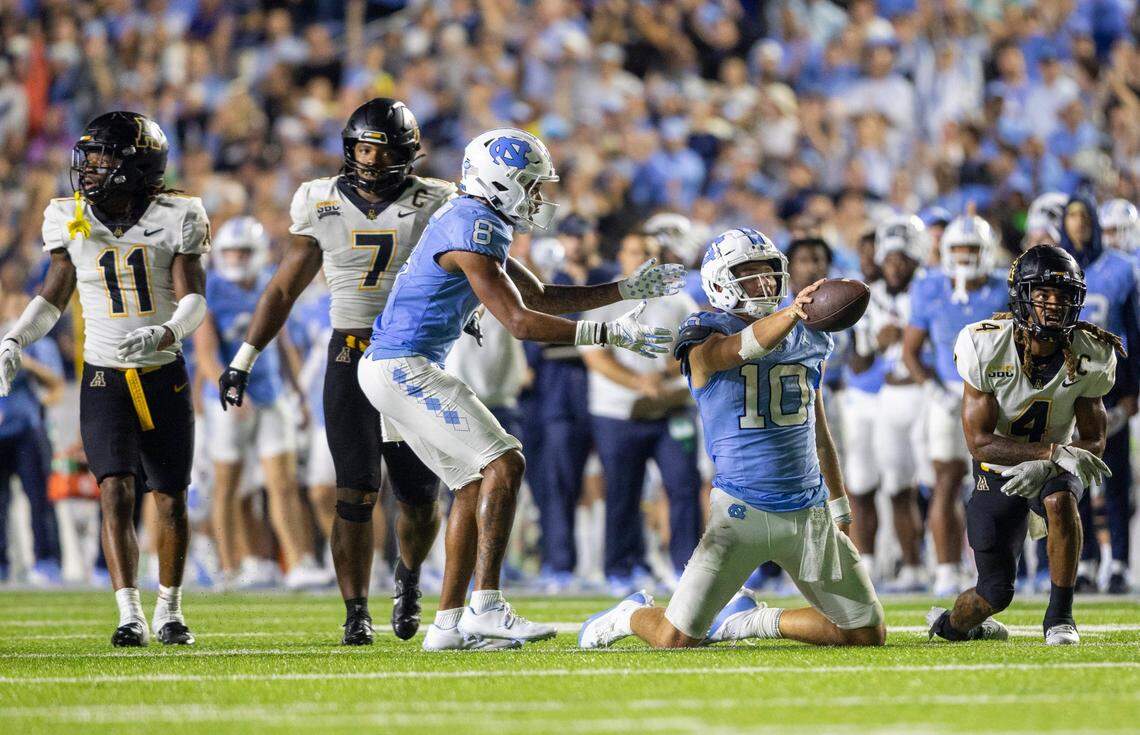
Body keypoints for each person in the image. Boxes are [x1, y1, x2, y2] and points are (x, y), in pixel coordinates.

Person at [358, 127, 684, 649]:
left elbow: (540, 296)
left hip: (394, 365)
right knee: (505, 463)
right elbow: (520, 322)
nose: (536, 196)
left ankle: (447, 625)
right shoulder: (475, 223)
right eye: (529, 184)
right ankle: (486, 607)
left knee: (472, 485)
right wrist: (608, 332)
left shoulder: (474, 217)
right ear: (499, 181)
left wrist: (623, 290)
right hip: (403, 365)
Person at [578, 228, 885, 649]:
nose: (764, 282)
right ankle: (628, 615)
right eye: (749, 273)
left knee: (864, 633)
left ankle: (749, 621)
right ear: (721, 281)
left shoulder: (810, 334)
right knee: (674, 639)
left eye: (769, 272)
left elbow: (818, 428)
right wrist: (791, 315)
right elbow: (728, 354)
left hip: (808, 510)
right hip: (741, 512)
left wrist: (839, 504)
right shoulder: (703, 329)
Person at [217, 99, 452, 645]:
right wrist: (244, 358)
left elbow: (468, 268)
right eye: (363, 149)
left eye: (382, 151)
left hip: (411, 355)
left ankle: (409, 576)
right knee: (354, 493)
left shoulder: (435, 200)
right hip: (348, 352)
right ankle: (355, 611)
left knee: (419, 497)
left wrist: (470, 312)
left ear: (406, 153)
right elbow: (283, 288)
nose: (370, 160)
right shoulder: (318, 198)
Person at [0, 111, 209, 646]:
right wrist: (15, 339)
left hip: (162, 372)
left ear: (137, 166)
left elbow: (194, 298)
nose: (90, 168)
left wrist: (166, 331)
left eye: (103, 158)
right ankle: (128, 614)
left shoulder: (178, 214)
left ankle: (170, 609)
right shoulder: (68, 215)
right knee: (114, 489)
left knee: (170, 497)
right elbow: (53, 294)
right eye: (88, 157)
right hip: (104, 374)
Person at [927, 246, 1119, 645]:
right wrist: (1048, 453)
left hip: (1058, 466)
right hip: (997, 470)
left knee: (1060, 499)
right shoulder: (985, 344)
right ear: (1021, 296)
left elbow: (1094, 438)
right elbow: (979, 442)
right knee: (994, 593)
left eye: (1063, 295)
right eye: (1044, 293)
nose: (1054, 305)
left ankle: (1060, 617)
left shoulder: (1090, 351)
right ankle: (950, 625)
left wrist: (1055, 462)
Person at [196, 216, 330, 590]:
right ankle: (229, 567)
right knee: (228, 485)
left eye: (243, 252)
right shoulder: (211, 288)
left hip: (271, 393)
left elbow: (282, 342)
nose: (236, 258)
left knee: (283, 483)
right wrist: (228, 392)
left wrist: (298, 393)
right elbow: (206, 352)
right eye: (230, 252)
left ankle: (299, 562)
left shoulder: (270, 280)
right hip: (227, 400)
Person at [581, 232, 702, 594]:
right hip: (617, 412)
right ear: (620, 256)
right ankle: (621, 569)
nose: (641, 260)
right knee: (622, 491)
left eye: (648, 253)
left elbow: (697, 347)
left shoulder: (679, 301)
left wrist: (662, 375)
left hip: (671, 408)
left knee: (684, 485)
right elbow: (594, 355)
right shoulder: (603, 300)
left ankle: (686, 568)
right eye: (634, 252)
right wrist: (637, 382)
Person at [903, 215, 1008, 596]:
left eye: (972, 249)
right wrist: (934, 390)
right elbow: (911, 351)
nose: (964, 257)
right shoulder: (929, 287)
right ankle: (946, 569)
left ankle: (999, 567)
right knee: (946, 481)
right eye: (958, 249)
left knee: (1000, 484)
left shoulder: (1004, 288)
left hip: (997, 392)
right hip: (948, 393)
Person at [1056, 197, 1140, 594]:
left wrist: (1133, 390)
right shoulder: (1054, 266)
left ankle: (1119, 562)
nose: (1078, 223)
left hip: (1110, 388)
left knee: (1116, 477)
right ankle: (1085, 561)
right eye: (1071, 216)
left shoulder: (1122, 269)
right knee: (1073, 480)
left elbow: (1135, 333)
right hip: (1065, 389)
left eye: (1084, 215)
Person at [849, 215, 927, 591]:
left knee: (941, 483)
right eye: (890, 259)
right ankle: (900, 566)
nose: (894, 266)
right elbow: (858, 361)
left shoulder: (931, 288)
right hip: (889, 395)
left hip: (929, 393)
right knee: (892, 484)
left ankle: (947, 564)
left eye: (902, 259)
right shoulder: (870, 295)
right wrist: (873, 343)